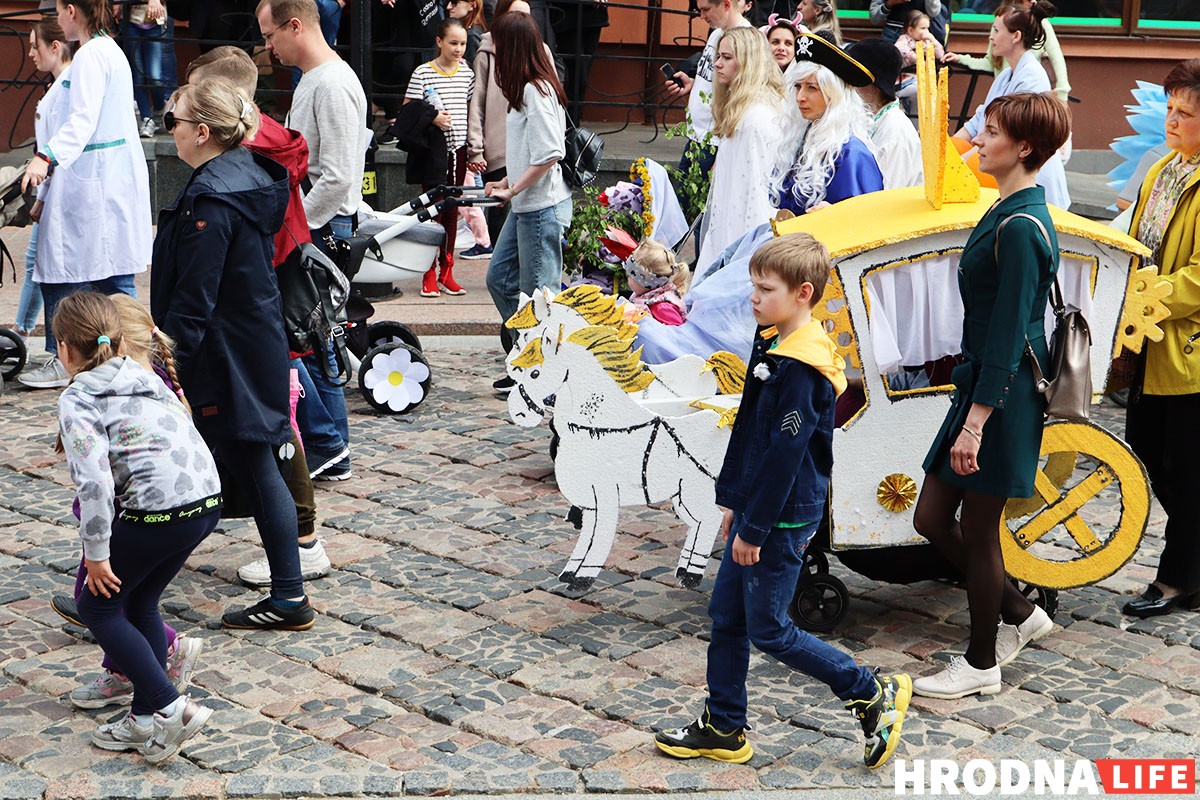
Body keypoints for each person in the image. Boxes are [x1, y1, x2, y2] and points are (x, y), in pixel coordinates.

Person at [652, 233, 911, 771]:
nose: (753, 296)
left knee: (769, 628)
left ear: (803, 294)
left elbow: (784, 456)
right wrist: (732, 499)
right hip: (757, 508)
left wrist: (755, 528)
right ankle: (724, 726)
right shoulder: (771, 340)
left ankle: (869, 691)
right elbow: (750, 430)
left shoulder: (802, 367)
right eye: (753, 285)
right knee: (726, 615)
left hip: (783, 515)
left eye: (764, 289)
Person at [912, 92, 1070, 699]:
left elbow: (1008, 335)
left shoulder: (1024, 225)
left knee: (979, 532)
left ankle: (980, 665)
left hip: (999, 399)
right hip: (982, 387)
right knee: (931, 518)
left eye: (991, 132)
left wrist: (976, 422)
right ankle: (1023, 615)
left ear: (1023, 148)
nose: (977, 140)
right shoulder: (1006, 208)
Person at [150, 78, 315, 632]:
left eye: (172, 120)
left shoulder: (213, 197)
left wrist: (162, 367)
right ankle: (288, 596)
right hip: (247, 348)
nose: (166, 128)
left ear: (201, 131)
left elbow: (195, 299)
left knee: (197, 476)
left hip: (224, 359)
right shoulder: (240, 176)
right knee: (244, 467)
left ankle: (120, 594)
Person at [183, 45, 331, 588]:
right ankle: (299, 550)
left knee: (271, 432)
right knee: (273, 427)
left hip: (254, 308)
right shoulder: (256, 147)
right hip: (263, 302)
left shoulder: (237, 161)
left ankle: (303, 544)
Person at [56, 291, 220, 762]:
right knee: (141, 601)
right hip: (205, 501)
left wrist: (96, 554)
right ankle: (144, 717)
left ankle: (171, 710)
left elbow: (93, 485)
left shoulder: (78, 396)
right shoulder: (140, 373)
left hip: (158, 511)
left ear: (65, 348)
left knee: (99, 607)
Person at [257, 0, 367, 482]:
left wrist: (296, 228)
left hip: (319, 230)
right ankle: (329, 446)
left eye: (270, 35)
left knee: (306, 339)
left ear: (294, 25)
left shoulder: (333, 83)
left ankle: (328, 445)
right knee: (312, 340)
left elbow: (339, 175)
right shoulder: (318, 80)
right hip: (312, 228)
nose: (268, 46)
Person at [19, 0, 153, 391]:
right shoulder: (104, 51)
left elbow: (81, 119)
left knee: (84, 279)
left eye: (59, 11)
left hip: (95, 184)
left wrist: (45, 158)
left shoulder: (93, 56)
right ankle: (133, 354)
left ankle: (95, 355)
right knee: (111, 278)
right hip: (98, 181)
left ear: (72, 10)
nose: (58, 20)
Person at [1121, 59, 1200, 618]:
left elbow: (1197, 279)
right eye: (1169, 109)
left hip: (1188, 351)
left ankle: (1179, 579)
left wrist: (1144, 297)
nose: (1171, 120)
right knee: (1148, 454)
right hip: (1147, 344)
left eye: (1185, 113)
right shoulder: (1163, 169)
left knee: (1185, 467)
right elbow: (1133, 238)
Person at [483, 11, 572, 389]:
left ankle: (545, 370)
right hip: (527, 205)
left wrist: (514, 187)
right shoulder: (525, 88)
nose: (492, 51)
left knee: (540, 297)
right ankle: (529, 354)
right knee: (500, 280)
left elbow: (551, 152)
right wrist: (507, 180)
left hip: (541, 208)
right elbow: (530, 151)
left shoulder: (536, 90)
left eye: (497, 44)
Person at [952, 2, 1070, 210]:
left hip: (1030, 180)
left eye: (997, 31)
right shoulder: (1007, 74)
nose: (991, 37)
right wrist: (952, 147)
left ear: (1015, 36)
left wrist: (959, 162)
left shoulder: (1031, 78)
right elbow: (983, 116)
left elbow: (1004, 131)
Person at [695, 26, 786, 273]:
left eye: (727, 58)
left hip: (743, 236)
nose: (717, 64)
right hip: (728, 227)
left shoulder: (756, 118)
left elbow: (756, 192)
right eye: (718, 57)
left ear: (747, 62)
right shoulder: (741, 111)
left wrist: (743, 259)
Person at [770, 33, 884, 217]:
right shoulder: (799, 140)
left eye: (812, 88)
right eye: (798, 86)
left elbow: (866, 223)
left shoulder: (852, 153)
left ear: (834, 94)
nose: (800, 97)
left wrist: (834, 216)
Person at [404, 17, 475, 298]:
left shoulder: (467, 73)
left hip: (458, 149)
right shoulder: (423, 73)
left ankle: (447, 269)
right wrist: (433, 118)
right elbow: (408, 109)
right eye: (453, 43)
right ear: (439, 42)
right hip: (432, 150)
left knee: (452, 209)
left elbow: (472, 107)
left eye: (463, 44)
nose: (458, 49)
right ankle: (428, 271)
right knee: (431, 209)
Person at [466, 0, 542, 257]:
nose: (522, 21)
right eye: (515, 15)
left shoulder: (539, 52)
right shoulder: (487, 50)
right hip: (498, 146)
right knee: (499, 215)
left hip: (532, 149)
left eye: (526, 16)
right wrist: (475, 148)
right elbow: (477, 101)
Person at [13, 19, 72, 343]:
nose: (31, 54)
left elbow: (58, 147)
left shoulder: (66, 88)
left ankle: (33, 335)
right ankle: (21, 328)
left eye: (36, 46)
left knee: (46, 267)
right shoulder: (57, 86)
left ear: (55, 47)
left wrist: (44, 194)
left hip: (59, 189)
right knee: (38, 262)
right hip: (52, 189)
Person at [663, 0, 754, 178]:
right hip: (697, 136)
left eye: (706, 10)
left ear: (726, 5)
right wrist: (693, 84)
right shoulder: (717, 33)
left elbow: (742, 99)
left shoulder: (745, 40)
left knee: (696, 203)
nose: (701, 16)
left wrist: (721, 157)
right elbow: (712, 77)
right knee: (683, 202)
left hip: (714, 143)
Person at [946, 0, 1070, 105]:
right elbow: (991, 62)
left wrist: (1062, 94)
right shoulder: (1002, 22)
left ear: (1017, 36)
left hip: (1025, 97)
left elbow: (1057, 58)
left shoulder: (1041, 24)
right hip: (1004, 96)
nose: (1033, 1)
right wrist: (961, 59)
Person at [846, 37, 923, 189]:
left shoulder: (895, 131)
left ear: (873, 85)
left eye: (853, 78)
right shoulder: (870, 117)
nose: (847, 86)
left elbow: (887, 197)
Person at [121, 0, 178, 138]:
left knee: (155, 76)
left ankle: (158, 109)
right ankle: (146, 118)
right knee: (137, 75)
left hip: (155, 22)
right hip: (131, 20)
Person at [625, 239, 690, 326]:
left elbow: (675, 335)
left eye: (631, 275)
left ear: (646, 280)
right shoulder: (647, 294)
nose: (628, 277)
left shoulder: (662, 308)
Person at [869, 0, 943, 45]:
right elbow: (874, 18)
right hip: (892, 32)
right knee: (887, 67)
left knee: (919, 68)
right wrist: (889, 3)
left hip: (919, 34)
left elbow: (934, 12)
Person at [450, 0, 488, 65]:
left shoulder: (471, 36)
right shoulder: (472, 31)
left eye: (455, 3)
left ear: (472, 5)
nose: (449, 7)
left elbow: (475, 68)